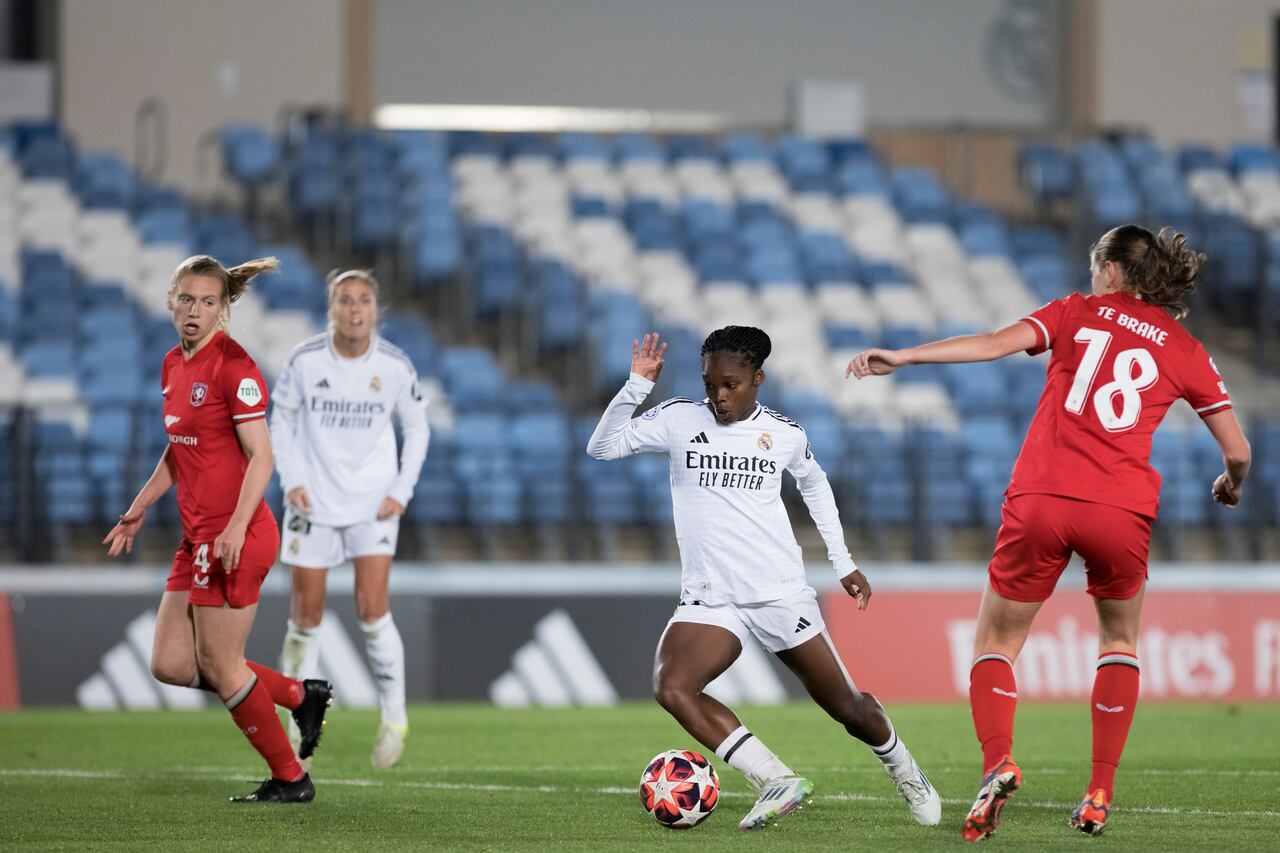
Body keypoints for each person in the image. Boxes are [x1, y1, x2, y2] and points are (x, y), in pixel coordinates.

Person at [845, 225, 1251, 840]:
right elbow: (1240, 449)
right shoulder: (1186, 348)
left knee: (998, 641)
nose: (1092, 277)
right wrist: (1230, 482)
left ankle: (997, 763)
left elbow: (991, 344)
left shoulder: (1073, 312)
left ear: (1113, 271)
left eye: (1096, 266)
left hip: (1042, 497)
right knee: (1119, 641)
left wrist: (904, 357)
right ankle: (1099, 793)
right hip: (1120, 508)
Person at [588, 326, 941, 831]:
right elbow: (602, 448)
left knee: (848, 708)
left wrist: (842, 561)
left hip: (777, 593)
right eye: (710, 384)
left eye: (731, 384)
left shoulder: (785, 434)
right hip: (711, 597)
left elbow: (815, 483)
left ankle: (904, 769)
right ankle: (774, 778)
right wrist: (637, 387)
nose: (718, 396)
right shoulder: (678, 419)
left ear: (758, 378)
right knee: (673, 686)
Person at [103, 255, 333, 803]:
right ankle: (299, 695)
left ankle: (291, 778)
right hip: (197, 538)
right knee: (171, 664)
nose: (194, 311)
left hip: (237, 536)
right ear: (170, 300)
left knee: (221, 666)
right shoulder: (172, 366)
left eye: (208, 302)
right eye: (186, 299)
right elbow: (182, 447)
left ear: (224, 309)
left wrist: (231, 529)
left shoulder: (235, 367)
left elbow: (262, 458)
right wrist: (140, 505)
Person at [270, 269, 429, 769]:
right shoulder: (304, 360)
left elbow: (418, 428)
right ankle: (300, 733)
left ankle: (394, 718)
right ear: (331, 308)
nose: (355, 309)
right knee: (305, 616)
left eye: (364, 300)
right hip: (312, 501)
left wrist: (401, 491)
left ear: (375, 310)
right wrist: (291, 478)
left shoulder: (395, 366)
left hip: (371, 502)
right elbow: (280, 420)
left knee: (372, 607)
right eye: (345, 300)